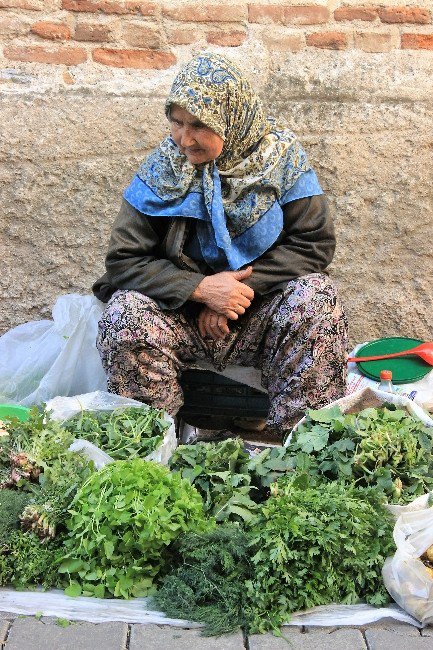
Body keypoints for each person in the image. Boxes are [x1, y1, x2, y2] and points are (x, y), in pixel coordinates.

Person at [93, 52, 348, 436]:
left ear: (232, 119)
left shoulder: (280, 160)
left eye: (199, 125)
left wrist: (236, 292)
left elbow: (313, 243)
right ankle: (150, 447)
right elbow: (124, 260)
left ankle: (304, 448)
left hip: (259, 313)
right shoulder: (163, 168)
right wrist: (199, 290)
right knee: (124, 314)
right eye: (176, 122)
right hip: (179, 314)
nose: (184, 139)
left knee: (317, 299)